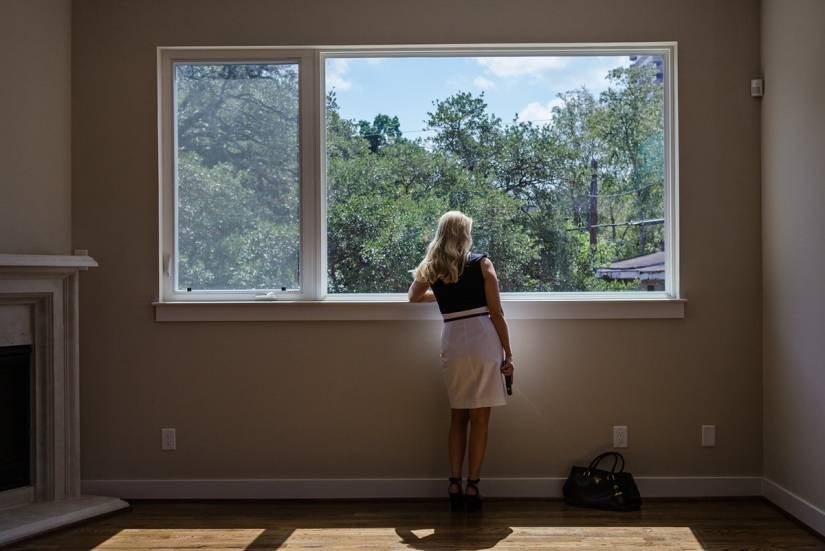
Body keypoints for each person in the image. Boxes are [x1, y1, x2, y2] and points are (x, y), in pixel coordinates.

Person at [408, 211, 515, 512]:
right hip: (482, 336)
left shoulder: (432, 266)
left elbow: (413, 297)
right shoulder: (482, 263)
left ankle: (453, 482)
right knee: (480, 419)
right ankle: (473, 487)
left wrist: (441, 295)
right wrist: (509, 354)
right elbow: (497, 314)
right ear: (464, 234)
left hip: (452, 337)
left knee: (458, 416)